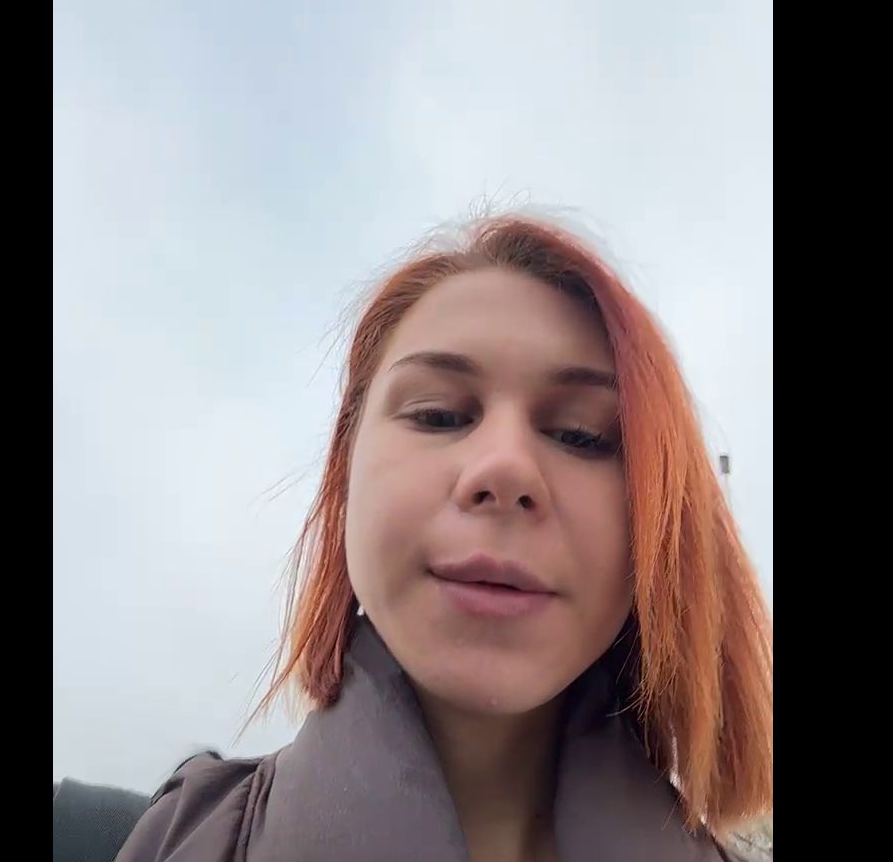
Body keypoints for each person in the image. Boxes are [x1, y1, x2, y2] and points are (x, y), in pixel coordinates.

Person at [116, 212, 773, 862]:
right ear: (346, 479)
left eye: (581, 435)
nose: (505, 468)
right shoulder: (169, 839)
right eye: (438, 415)